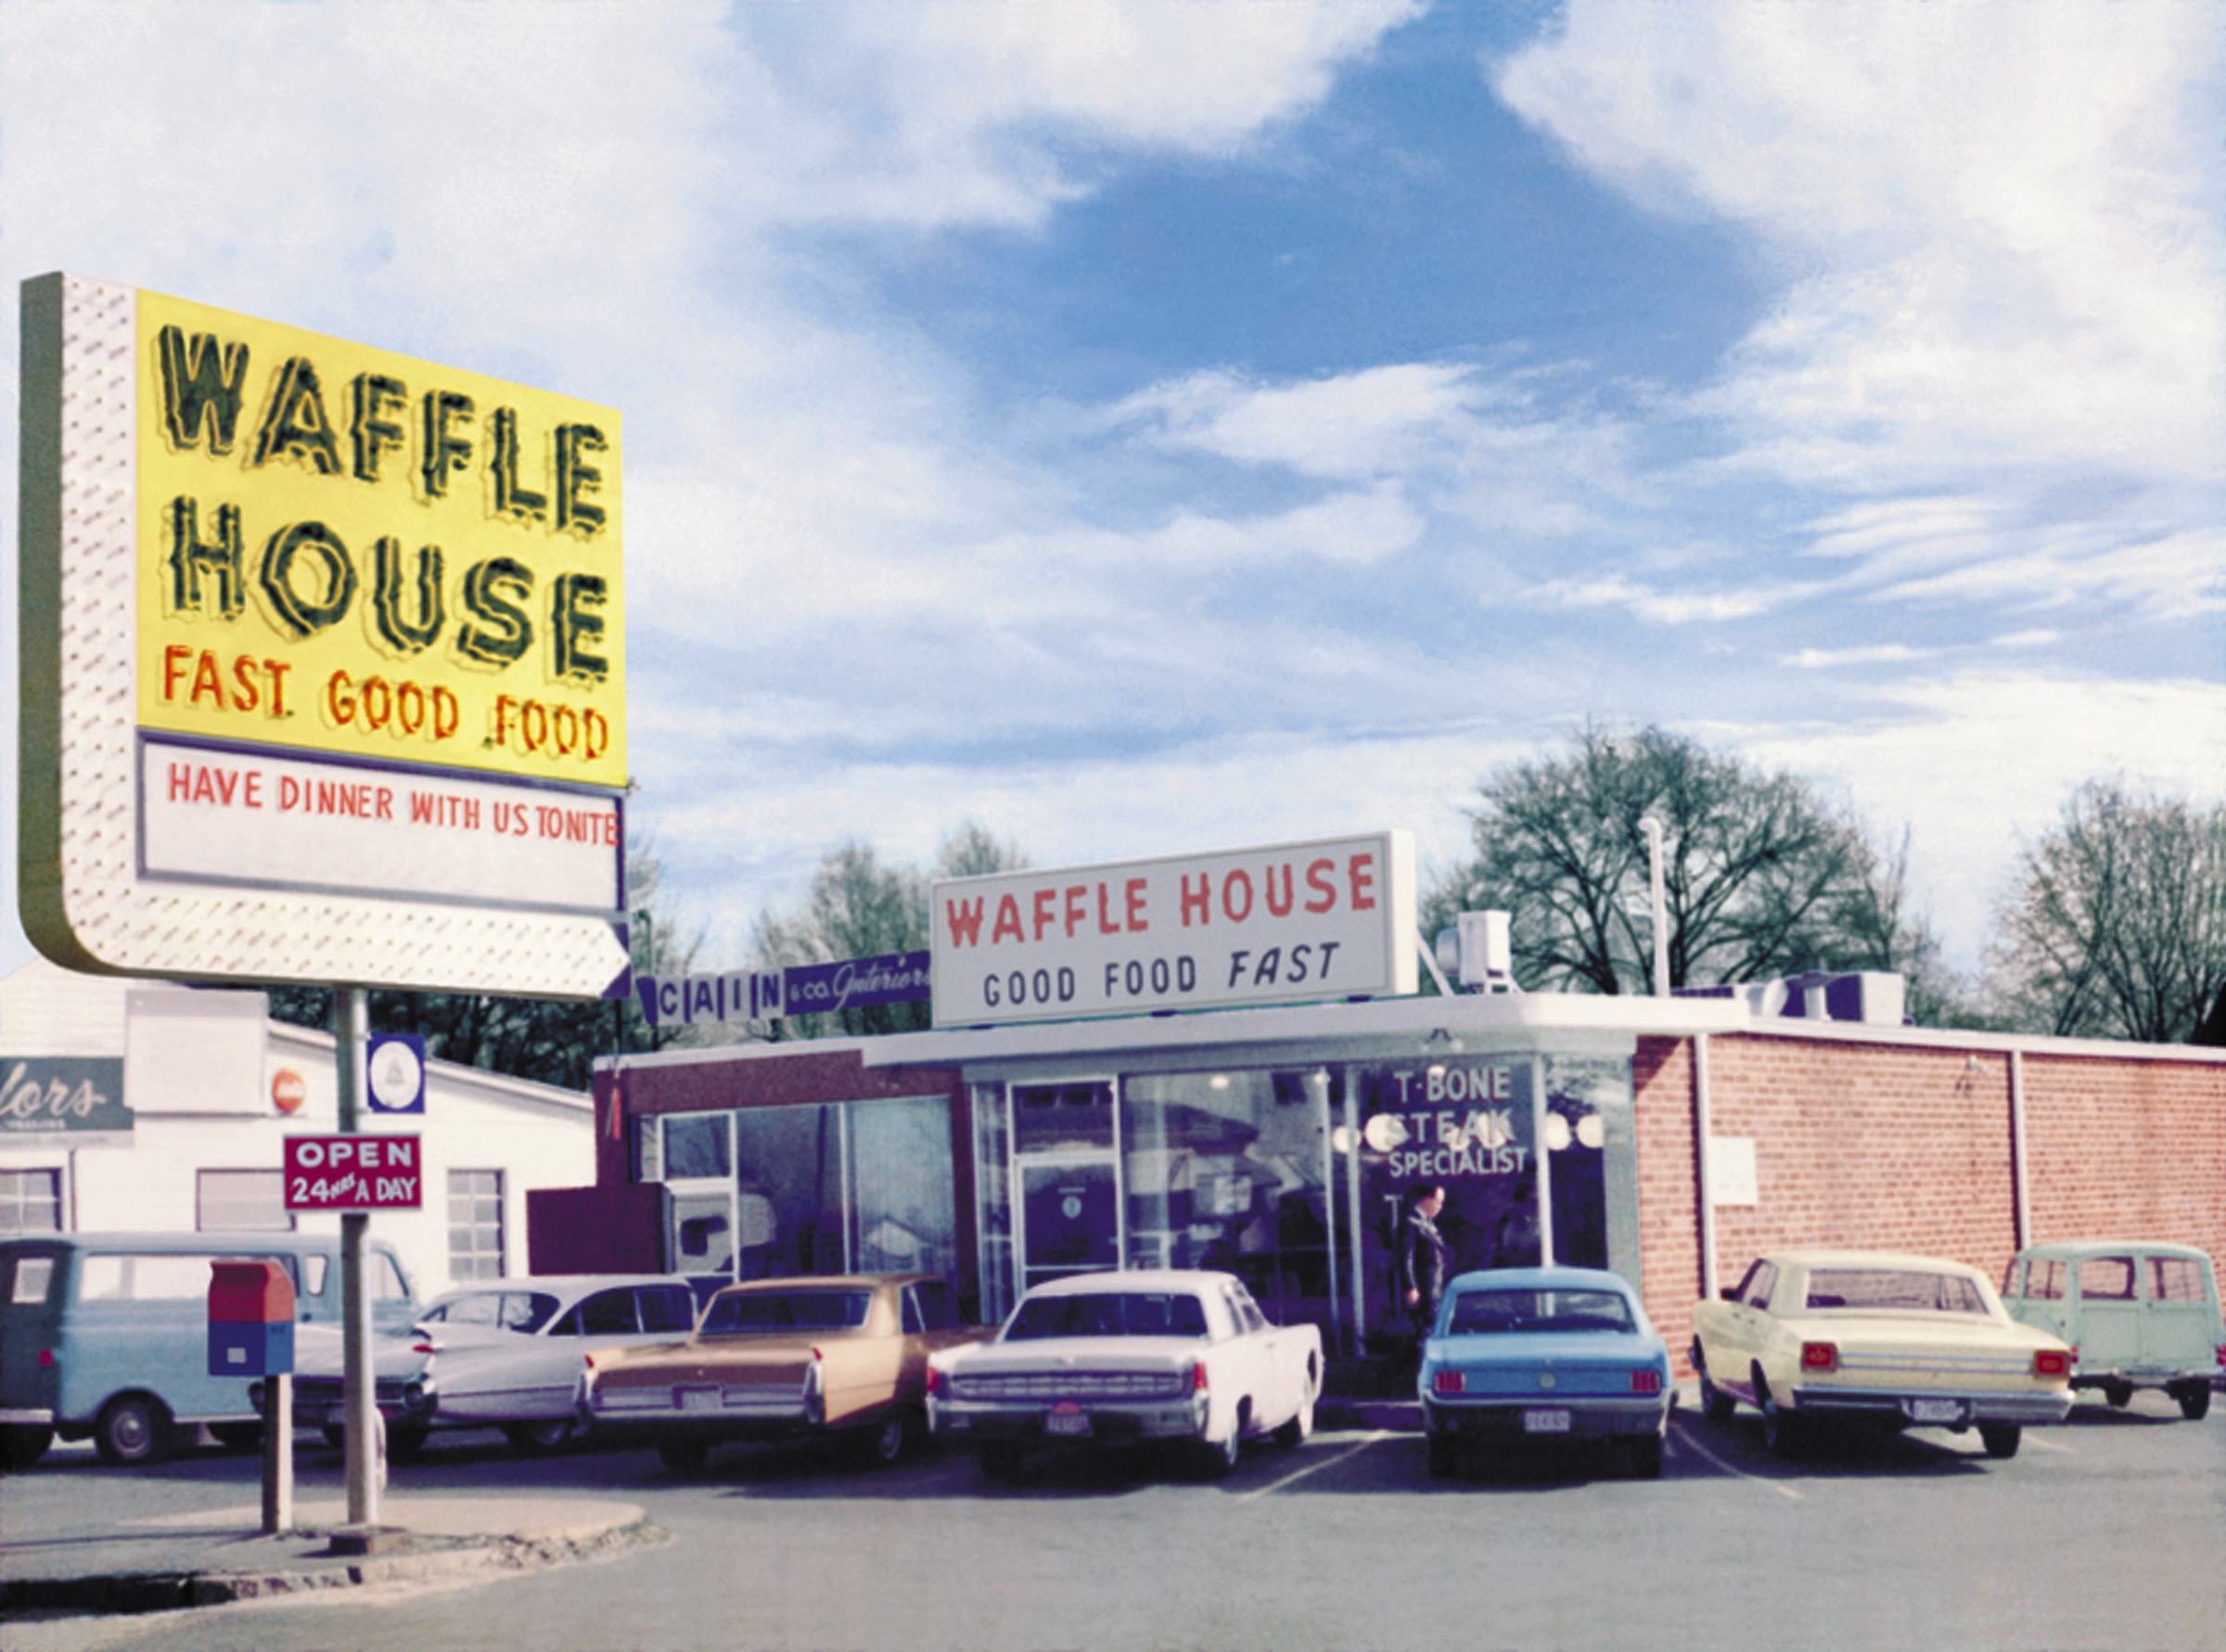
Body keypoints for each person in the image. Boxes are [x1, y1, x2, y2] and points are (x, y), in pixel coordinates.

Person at [1394, 1183, 1450, 1346]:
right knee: (1424, 1331)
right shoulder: (1410, 1223)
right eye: (1437, 1201)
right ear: (1426, 1199)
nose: (1440, 1207)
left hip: (1435, 1288)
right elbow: (1405, 1257)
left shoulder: (1429, 1224)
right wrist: (1410, 1286)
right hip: (1423, 1288)